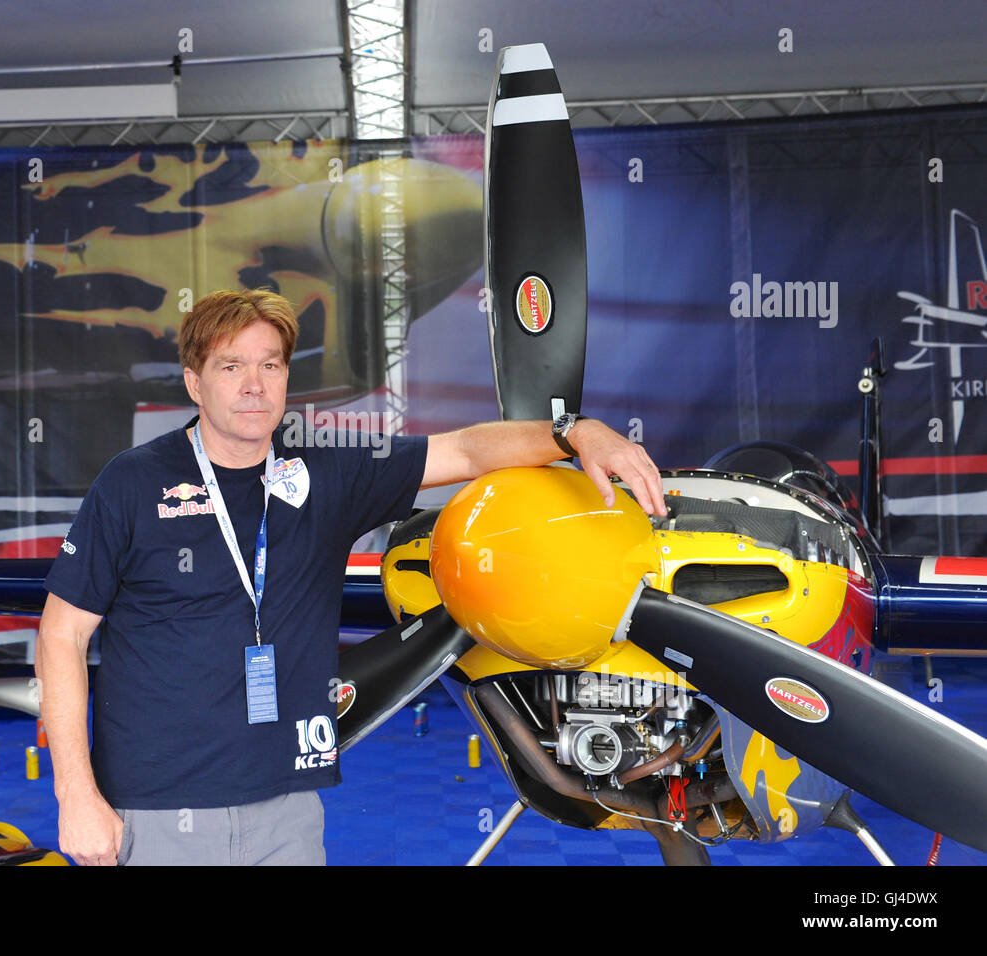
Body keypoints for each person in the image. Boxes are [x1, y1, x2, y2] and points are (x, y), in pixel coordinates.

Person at [36, 288, 665, 866]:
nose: (254, 384)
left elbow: (468, 451)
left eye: (271, 365)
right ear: (195, 383)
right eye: (231, 366)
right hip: (155, 811)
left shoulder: (325, 477)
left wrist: (575, 433)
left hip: (288, 810)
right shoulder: (133, 482)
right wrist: (76, 796)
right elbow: (61, 636)